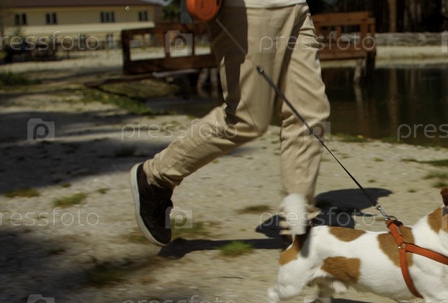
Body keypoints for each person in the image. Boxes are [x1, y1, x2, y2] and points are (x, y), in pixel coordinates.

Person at [130, 0, 330, 246]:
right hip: (249, 9)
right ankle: (155, 178)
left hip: (296, 6)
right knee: (246, 120)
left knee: (309, 114)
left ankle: (298, 222)